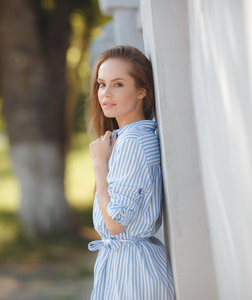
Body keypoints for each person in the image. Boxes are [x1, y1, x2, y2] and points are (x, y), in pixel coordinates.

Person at [88, 45, 176, 299]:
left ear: (142, 91)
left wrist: (99, 165)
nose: (105, 93)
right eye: (101, 84)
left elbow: (115, 224)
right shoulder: (135, 136)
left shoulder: (131, 143)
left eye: (118, 84)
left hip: (131, 274)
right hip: (130, 266)